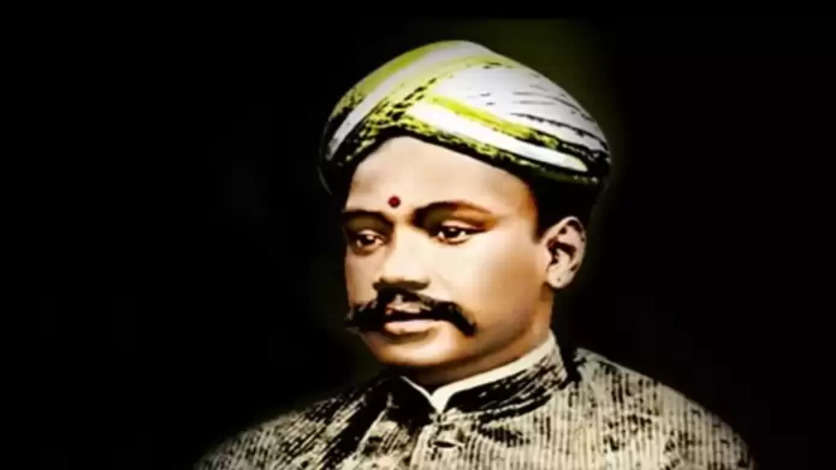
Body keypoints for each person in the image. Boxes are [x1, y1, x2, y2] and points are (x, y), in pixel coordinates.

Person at [197, 40, 755, 469]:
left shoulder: (669, 450)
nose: (395, 272)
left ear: (559, 253)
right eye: (367, 237)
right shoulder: (269, 458)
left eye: (450, 231)